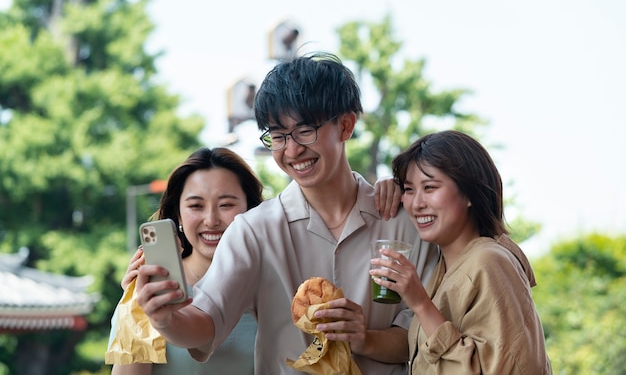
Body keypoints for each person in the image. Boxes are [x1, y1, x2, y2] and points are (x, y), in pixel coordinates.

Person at [135, 52, 440, 374]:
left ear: (346, 125)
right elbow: (207, 320)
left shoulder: (404, 222)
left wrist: (364, 338)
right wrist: (165, 318)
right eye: (277, 136)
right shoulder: (253, 231)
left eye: (305, 131)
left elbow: (427, 334)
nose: (292, 150)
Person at [370, 130, 552, 374]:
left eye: (430, 187)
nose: (416, 203)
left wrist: (420, 303)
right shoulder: (444, 267)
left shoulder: (489, 261)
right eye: (409, 189)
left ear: (469, 193)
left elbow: (500, 368)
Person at [109, 147, 264, 375]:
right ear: (178, 215)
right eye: (196, 206)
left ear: (250, 210)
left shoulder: (271, 283)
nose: (211, 220)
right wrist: (136, 310)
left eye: (226, 205)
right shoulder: (152, 290)